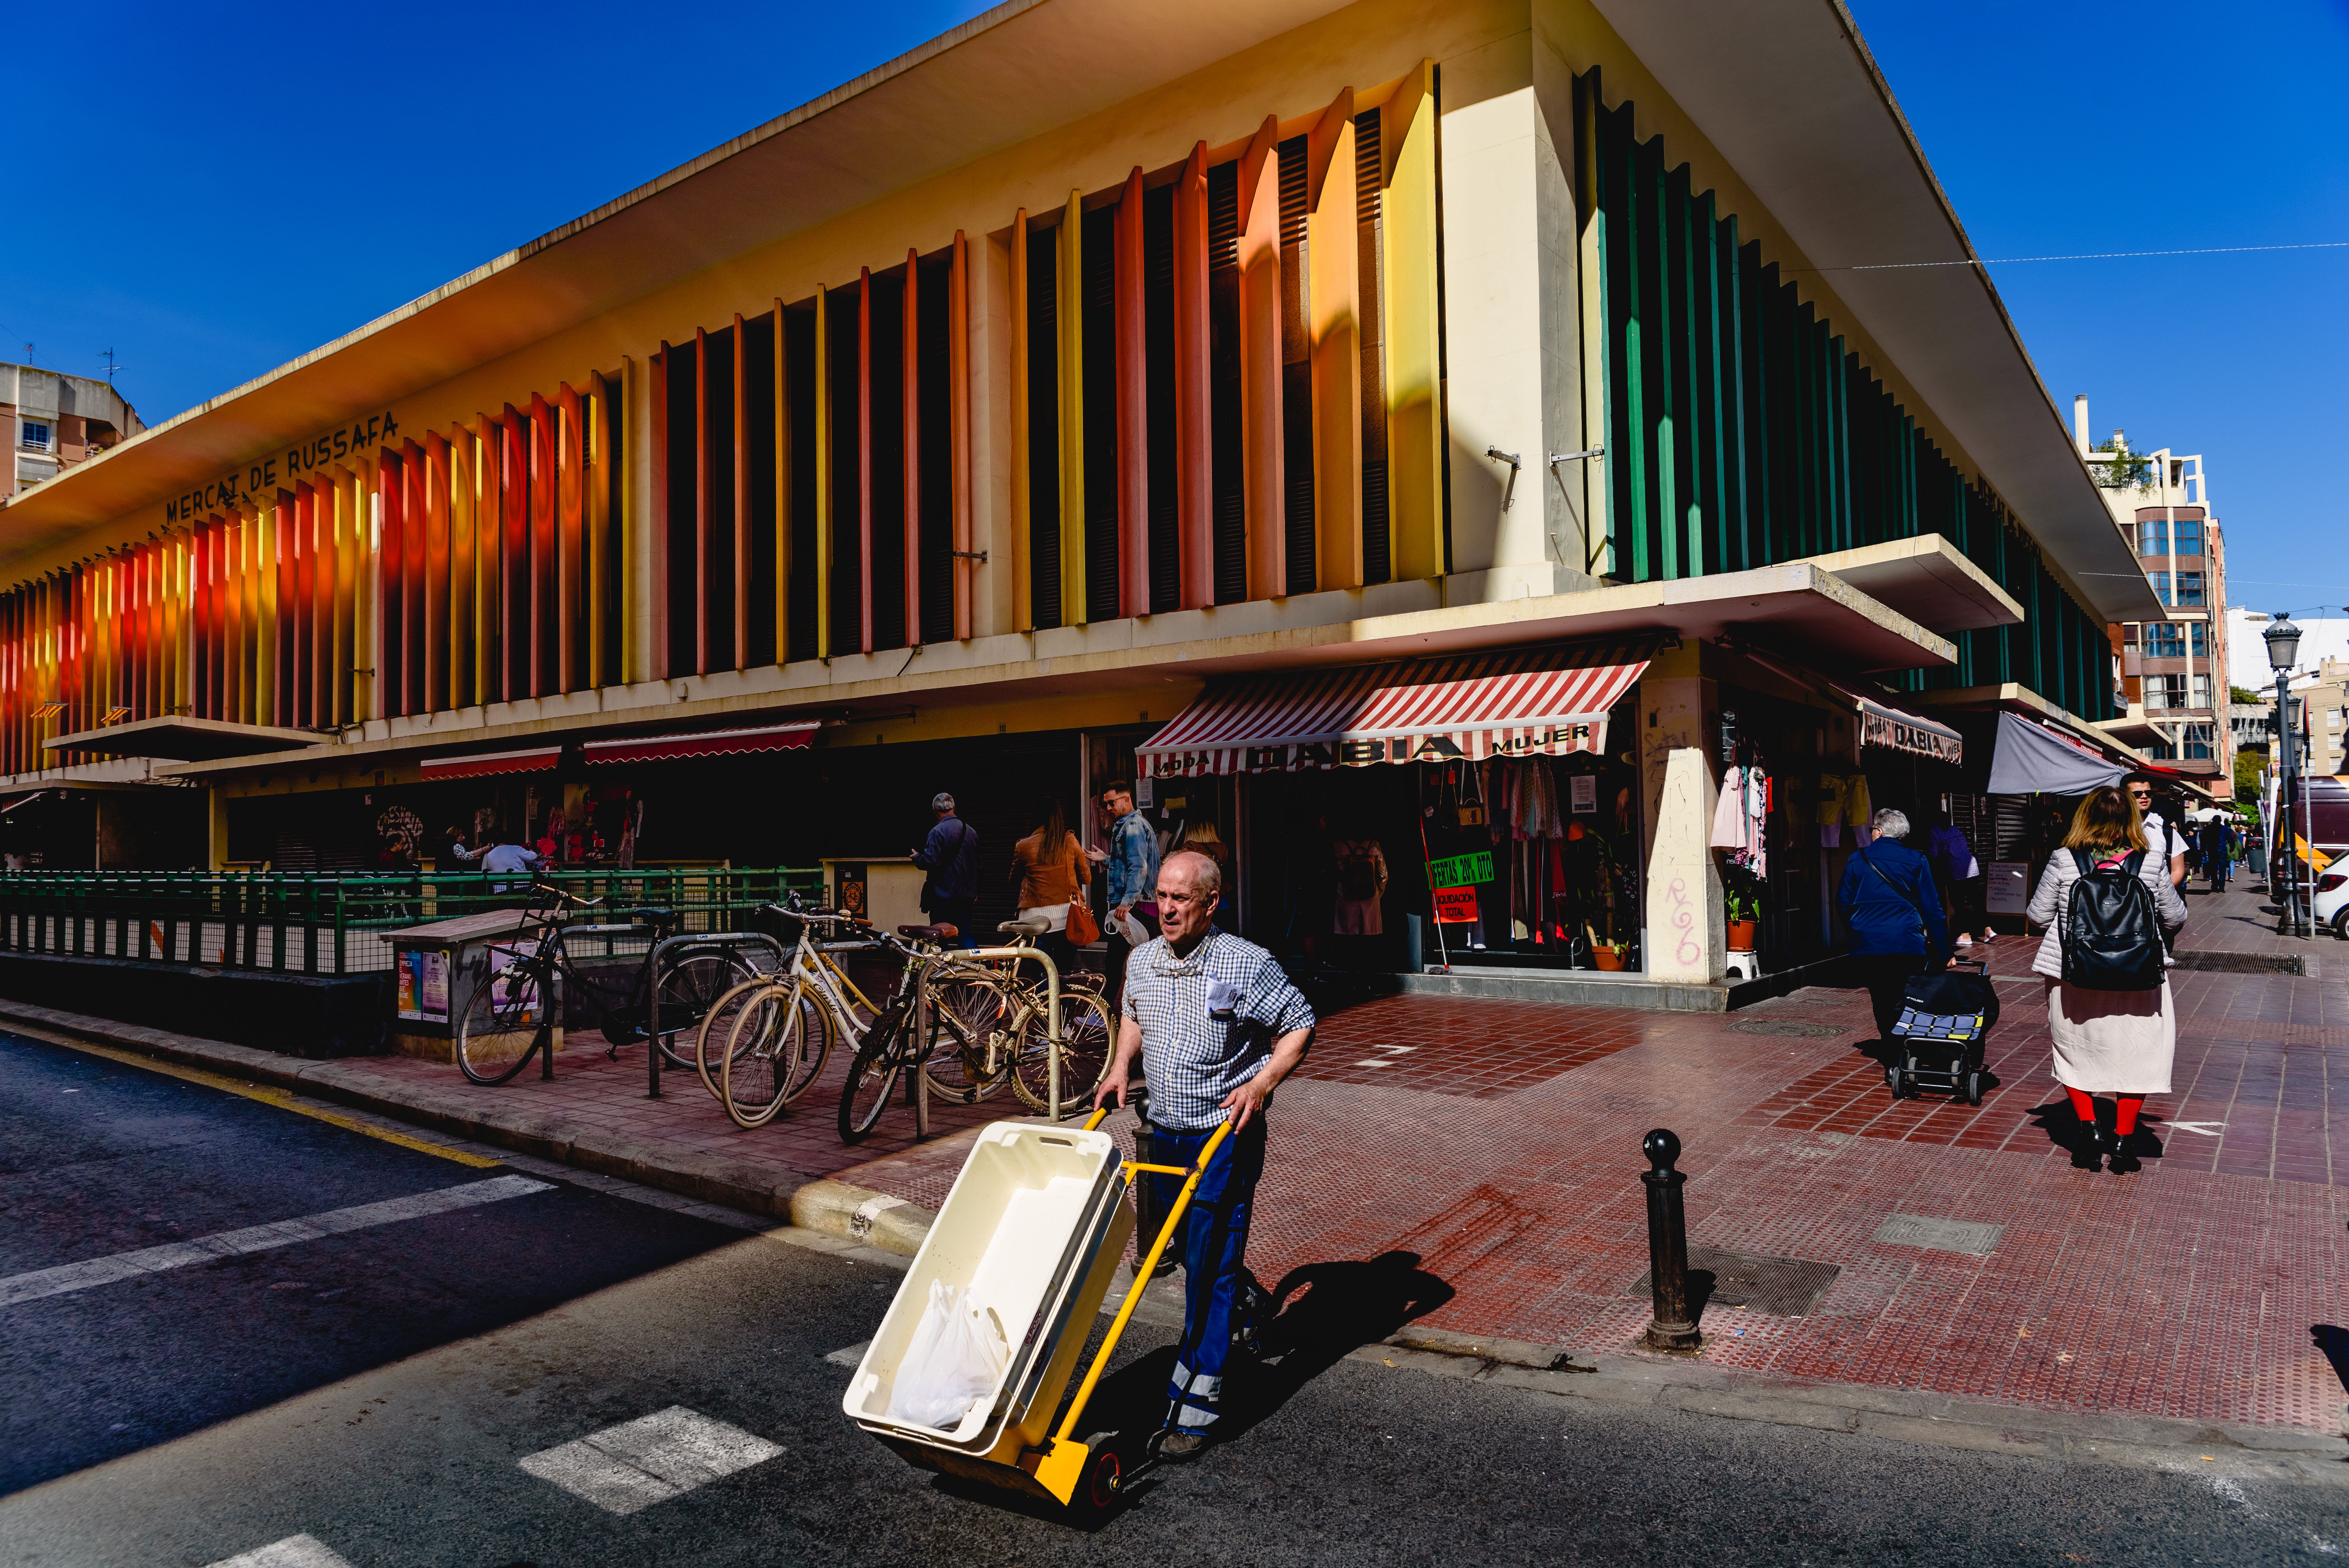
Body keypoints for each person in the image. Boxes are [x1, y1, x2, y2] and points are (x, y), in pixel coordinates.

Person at [1094, 849, 1315, 1459]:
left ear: (1211, 902)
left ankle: (1200, 1399)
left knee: (1211, 1262)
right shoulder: (1141, 959)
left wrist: (1263, 1083)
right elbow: (1131, 1012)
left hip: (1224, 1135)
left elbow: (1299, 1021)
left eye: (1180, 898)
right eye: (1160, 895)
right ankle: (1241, 1298)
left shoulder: (1246, 962)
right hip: (1162, 1131)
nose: (1165, 908)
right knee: (1190, 1250)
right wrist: (1119, 1066)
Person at [2023, 785, 2188, 1174]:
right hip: (2139, 974)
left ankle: (2088, 1136)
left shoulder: (2063, 859)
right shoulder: (2150, 861)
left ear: (2083, 818)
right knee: (2139, 1054)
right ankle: (2123, 1143)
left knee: (2075, 1052)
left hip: (2074, 976)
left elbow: (2036, 915)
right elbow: (2175, 917)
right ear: (2131, 819)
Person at [1837, 807, 1952, 1047]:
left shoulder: (1857, 859)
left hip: (1869, 943)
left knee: (1881, 997)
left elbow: (1843, 903)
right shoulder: (1916, 860)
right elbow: (1933, 909)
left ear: (1878, 832)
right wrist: (1944, 950)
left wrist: (1857, 932)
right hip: (1906, 940)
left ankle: (1891, 1044)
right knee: (1907, 995)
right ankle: (1905, 1046)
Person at [1088, 781, 1160, 1002]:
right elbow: (1128, 863)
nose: (1108, 808)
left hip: (1137, 905)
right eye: (1106, 804)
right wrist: (1106, 859)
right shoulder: (1132, 824)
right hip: (1141, 903)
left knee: (1115, 961)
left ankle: (1105, 1013)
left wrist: (1126, 904)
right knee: (1135, 961)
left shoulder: (1133, 826)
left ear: (1127, 799)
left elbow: (1138, 867)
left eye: (1112, 802)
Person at [1010, 799, 1090, 975]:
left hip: (1034, 921)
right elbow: (1087, 878)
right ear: (1059, 817)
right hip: (1066, 918)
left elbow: (1013, 879)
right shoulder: (1070, 841)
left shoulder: (1023, 846)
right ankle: (1063, 1001)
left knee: (1040, 973)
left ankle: (1041, 1001)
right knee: (1063, 973)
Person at [910, 791, 979, 948]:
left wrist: (917, 858)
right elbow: (977, 864)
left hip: (943, 895)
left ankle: (942, 970)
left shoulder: (937, 832)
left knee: (940, 934)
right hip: (966, 895)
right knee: (966, 933)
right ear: (954, 807)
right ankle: (971, 968)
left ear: (935, 811)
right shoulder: (971, 832)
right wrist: (975, 891)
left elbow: (930, 861)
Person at [1920, 806, 1993, 948]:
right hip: (1971, 868)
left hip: (1956, 871)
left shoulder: (1935, 833)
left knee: (1959, 904)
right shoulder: (1956, 829)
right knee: (1975, 900)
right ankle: (1988, 930)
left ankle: (1966, 936)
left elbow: (1933, 855)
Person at [1329, 826, 1389, 966]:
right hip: (1370, 897)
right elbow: (1383, 875)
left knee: (1348, 938)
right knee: (1368, 939)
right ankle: (1366, 969)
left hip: (1346, 897)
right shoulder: (1374, 845)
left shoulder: (1338, 845)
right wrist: (1378, 894)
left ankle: (1349, 967)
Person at [2123, 775, 2188, 889]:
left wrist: (2161, 894)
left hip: (2156, 901)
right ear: (2125, 797)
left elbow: (2178, 870)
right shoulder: (2114, 828)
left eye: (2149, 793)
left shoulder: (2166, 831)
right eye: (2138, 794)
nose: (2144, 797)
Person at [2199, 813, 2234, 895]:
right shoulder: (2225, 829)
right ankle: (2221, 888)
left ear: (2213, 821)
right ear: (2220, 821)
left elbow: (2203, 841)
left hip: (2212, 850)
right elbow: (2231, 839)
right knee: (2222, 869)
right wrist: (2232, 848)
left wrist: (2203, 850)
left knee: (2213, 869)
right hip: (2222, 849)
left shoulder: (2207, 829)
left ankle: (2215, 886)